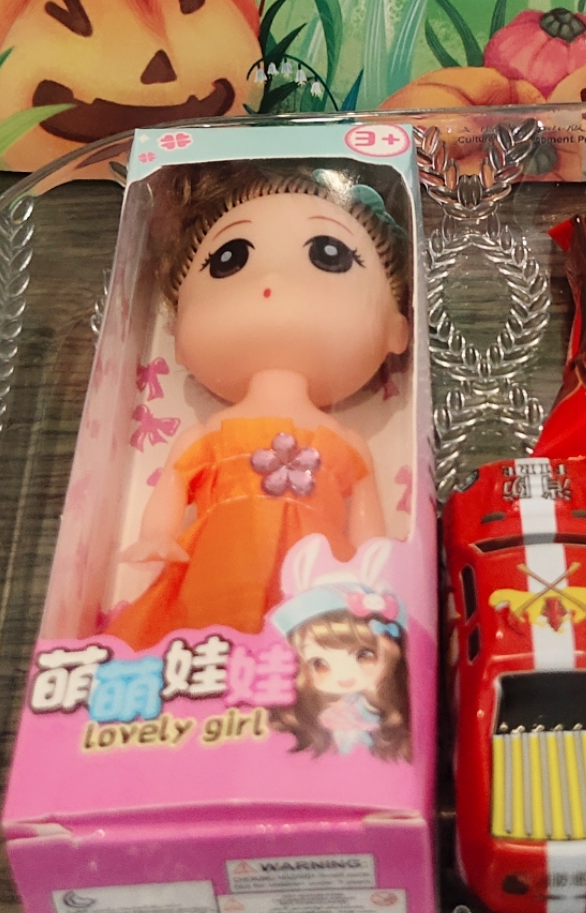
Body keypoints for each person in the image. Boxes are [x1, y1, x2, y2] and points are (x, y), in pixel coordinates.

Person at [105, 158, 411, 650]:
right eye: (229, 259)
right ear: (178, 335)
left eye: (328, 254)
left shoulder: (346, 443)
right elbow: (176, 481)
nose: (272, 278)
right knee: (202, 631)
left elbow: (368, 524)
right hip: (218, 559)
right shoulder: (209, 436)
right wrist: (157, 533)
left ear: (397, 330)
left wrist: (373, 564)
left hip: (316, 567)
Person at [269, 585, 412, 761]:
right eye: (319, 664)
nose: (343, 674)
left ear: (390, 653)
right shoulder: (315, 714)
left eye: (364, 656)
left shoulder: (393, 708)